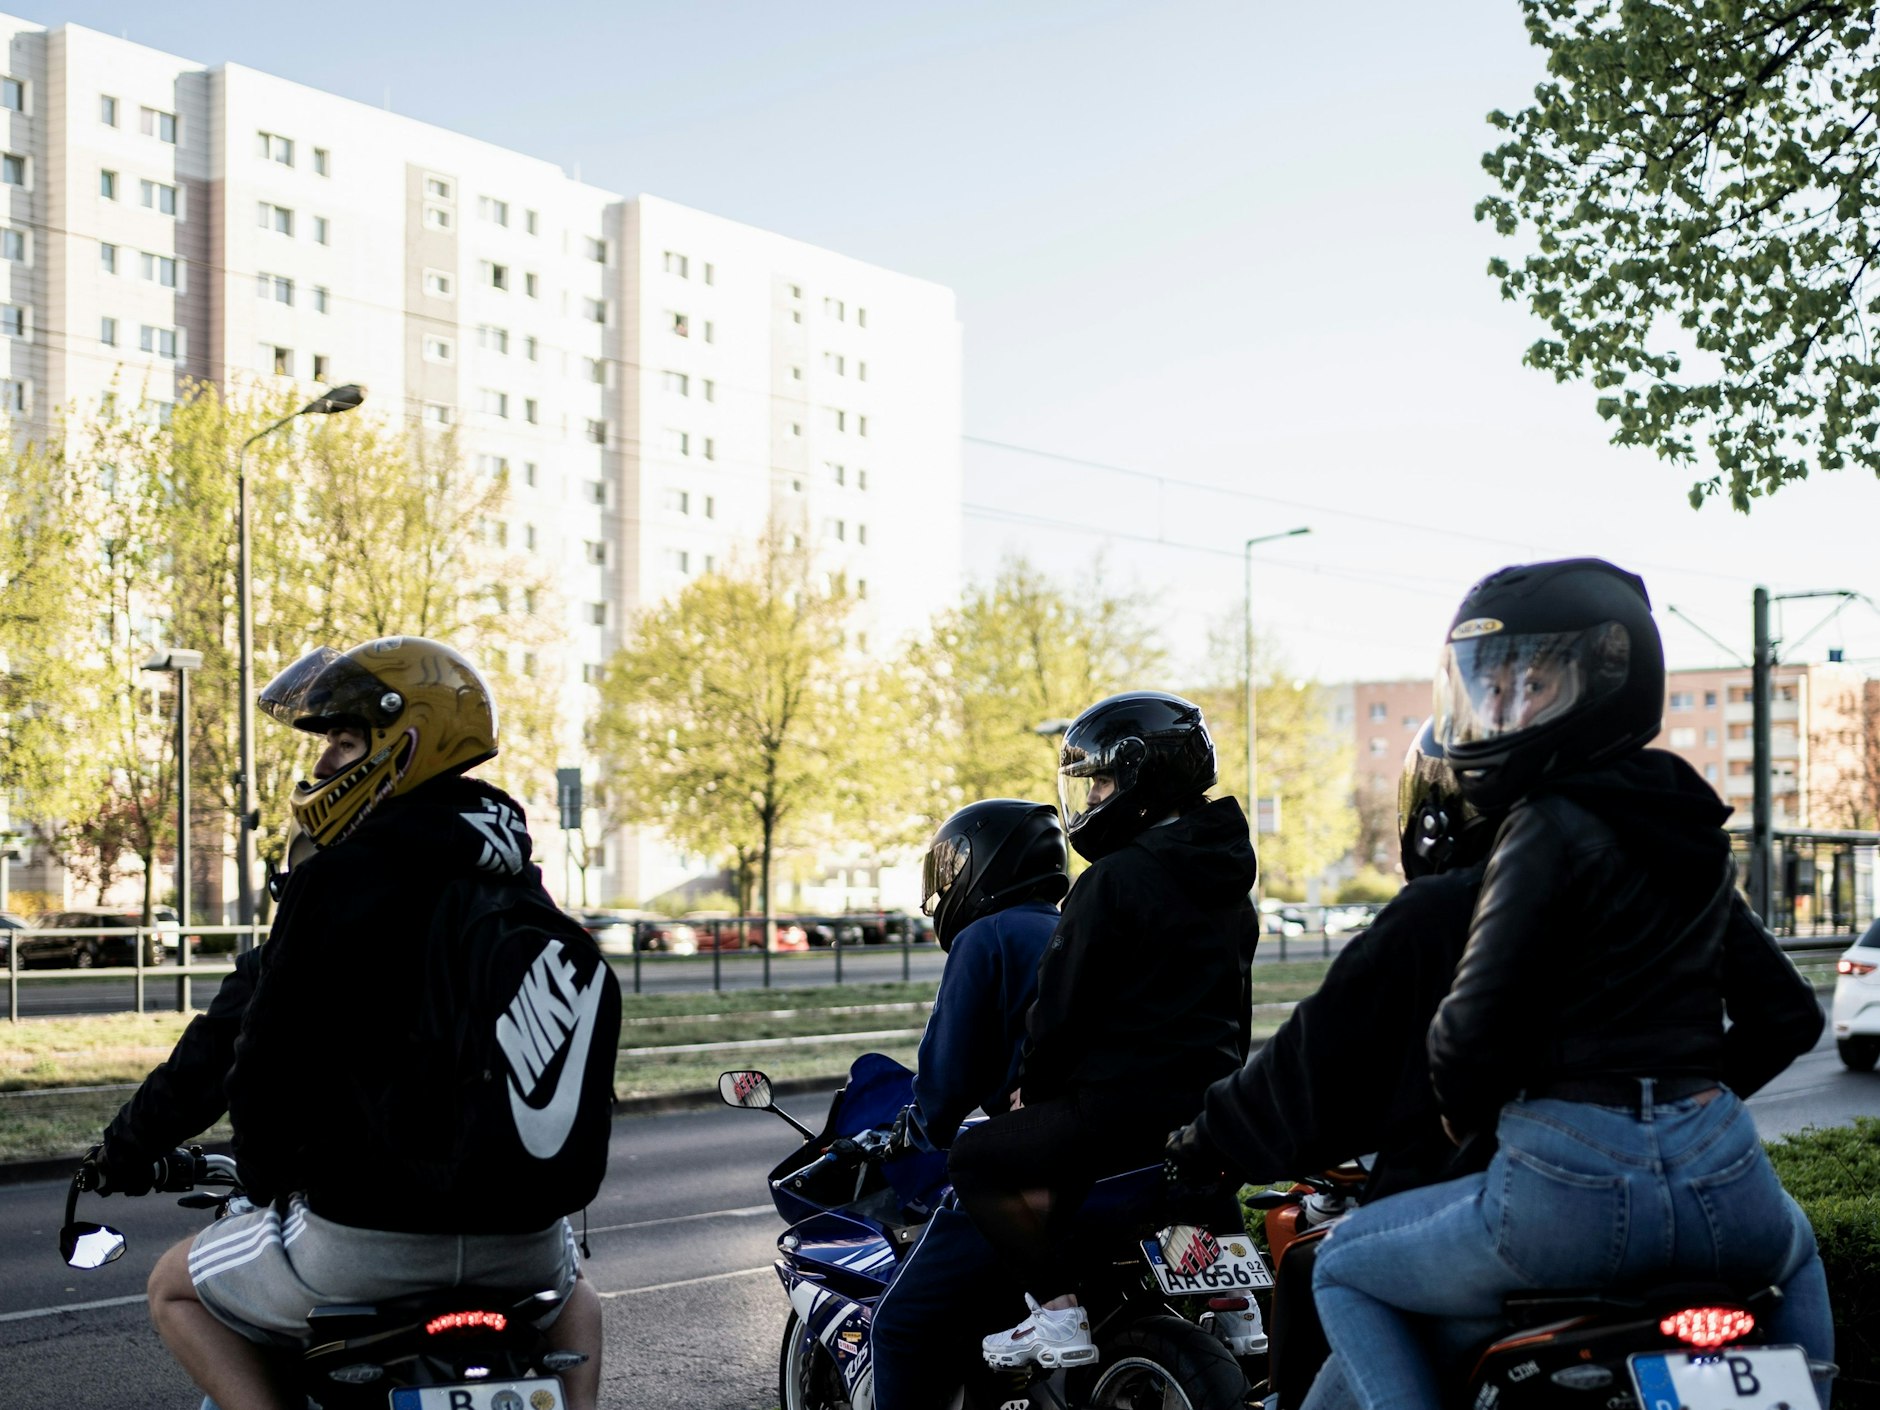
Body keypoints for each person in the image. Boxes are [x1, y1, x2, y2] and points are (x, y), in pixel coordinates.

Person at [1166, 720, 1827, 1409]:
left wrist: (1206, 1142)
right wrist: (1666, 1112)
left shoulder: (1434, 914)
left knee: (1339, 1286)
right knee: (1797, 1249)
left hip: (1516, 1231)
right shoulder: (1657, 883)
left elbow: (1303, 1073)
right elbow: (1788, 1016)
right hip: (1711, 1196)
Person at [1308, 559, 1834, 1410]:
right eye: (1496, 684)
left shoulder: (1542, 822)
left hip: (1567, 1191)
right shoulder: (1689, 823)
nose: (1507, 706)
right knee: (1798, 1249)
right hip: (1722, 1178)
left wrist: (1472, 1117)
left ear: (1606, 675)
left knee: (1341, 1269)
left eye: (1535, 681)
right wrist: (1683, 1112)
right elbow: (1786, 1014)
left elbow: (1467, 1031)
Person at [143, 638, 606, 1410]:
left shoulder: (337, 881)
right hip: (526, 1247)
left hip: (364, 1241)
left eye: (344, 741)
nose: (323, 765)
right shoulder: (523, 892)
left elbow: (259, 1059)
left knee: (173, 1291)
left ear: (404, 745)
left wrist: (264, 1177)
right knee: (580, 1301)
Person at [947, 690, 1259, 1370]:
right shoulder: (1230, 885)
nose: (1092, 799)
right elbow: (1239, 1009)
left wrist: (1035, 1086)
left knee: (975, 1160)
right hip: (1207, 1103)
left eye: (1103, 782)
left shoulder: (1112, 880)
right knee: (1195, 1174)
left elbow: (1061, 1007)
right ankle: (1236, 1311)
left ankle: (1056, 1316)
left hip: (1116, 1109)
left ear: (1144, 778)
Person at [870, 799, 1071, 1410]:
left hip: (1030, 1165)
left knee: (899, 1327)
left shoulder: (988, 937)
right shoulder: (1074, 926)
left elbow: (946, 1077)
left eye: (951, 869)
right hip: (1106, 1149)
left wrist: (913, 1129)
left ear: (985, 866)